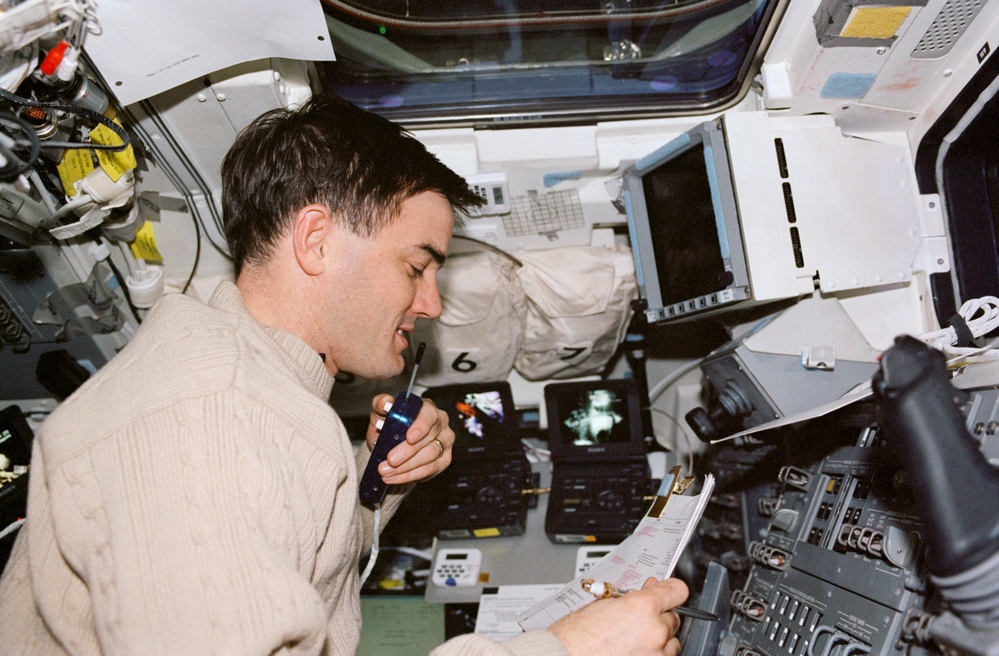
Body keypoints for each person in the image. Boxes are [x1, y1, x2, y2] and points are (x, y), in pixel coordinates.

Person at [0, 94, 689, 655]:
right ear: (316, 240)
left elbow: (294, 554)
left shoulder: (258, 391)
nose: (431, 305)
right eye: (416, 266)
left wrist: (375, 480)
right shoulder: (205, 421)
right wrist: (565, 653)